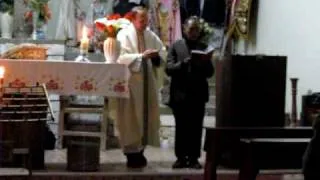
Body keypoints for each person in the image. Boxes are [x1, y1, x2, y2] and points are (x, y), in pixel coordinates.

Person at [115, 6, 166, 168]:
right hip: (130, 82)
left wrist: (156, 57)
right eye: (142, 20)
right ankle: (131, 153)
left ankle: (141, 150)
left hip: (147, 82)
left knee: (146, 115)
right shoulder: (123, 35)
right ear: (133, 19)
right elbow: (120, 57)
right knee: (131, 117)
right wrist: (140, 57)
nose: (145, 23)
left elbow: (163, 51)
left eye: (147, 20)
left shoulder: (150, 34)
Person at [165, 16, 214, 169]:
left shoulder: (204, 46)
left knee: (196, 127)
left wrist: (204, 63)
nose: (194, 32)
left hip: (197, 93)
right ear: (185, 29)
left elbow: (210, 73)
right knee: (181, 127)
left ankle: (193, 158)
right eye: (191, 29)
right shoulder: (176, 46)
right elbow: (168, 68)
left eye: (196, 30)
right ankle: (180, 157)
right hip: (180, 93)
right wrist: (183, 64)